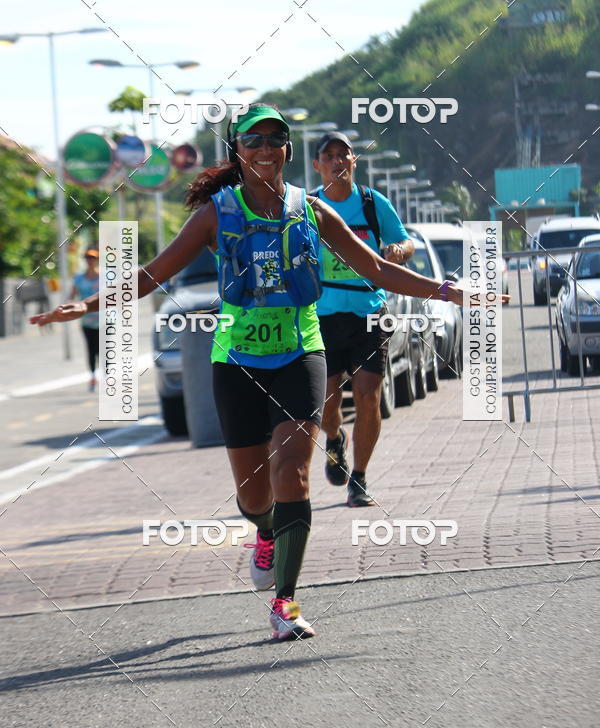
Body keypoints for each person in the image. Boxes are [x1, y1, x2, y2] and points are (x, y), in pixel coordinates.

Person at [30, 104, 504, 641]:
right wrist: (84, 306)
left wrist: (453, 290)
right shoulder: (216, 212)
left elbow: (375, 268)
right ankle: (264, 533)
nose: (263, 149)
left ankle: (286, 604)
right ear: (238, 151)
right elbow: (152, 274)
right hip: (236, 363)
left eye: (274, 139)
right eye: (252, 141)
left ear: (286, 150)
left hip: (300, 352)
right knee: (255, 498)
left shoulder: (313, 210)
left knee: (293, 474)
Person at [311, 132, 415, 507]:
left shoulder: (372, 203)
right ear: (317, 165)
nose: (338, 161)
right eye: (329, 156)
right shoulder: (310, 208)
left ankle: (360, 478)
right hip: (322, 315)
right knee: (326, 403)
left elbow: (406, 241)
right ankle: (335, 438)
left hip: (369, 311)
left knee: (369, 397)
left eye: (344, 155)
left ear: (354, 161)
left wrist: (397, 251)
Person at [68, 248, 101, 391]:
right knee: (91, 349)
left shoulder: (105, 277)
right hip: (87, 320)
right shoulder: (79, 278)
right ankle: (93, 377)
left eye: (92, 258)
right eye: (87, 258)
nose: (90, 260)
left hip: (105, 320)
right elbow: (72, 296)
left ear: (97, 260)